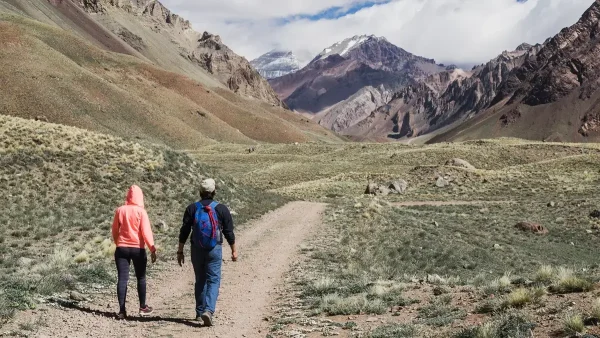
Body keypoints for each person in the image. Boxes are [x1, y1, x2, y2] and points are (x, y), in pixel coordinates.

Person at [177, 178, 238, 326]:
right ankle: (209, 310)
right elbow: (229, 232)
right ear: (214, 191)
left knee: (200, 279)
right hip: (214, 248)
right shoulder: (221, 209)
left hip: (196, 249)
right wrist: (234, 250)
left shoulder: (192, 208)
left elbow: (184, 231)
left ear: (200, 192)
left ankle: (199, 312)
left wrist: (180, 250)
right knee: (214, 280)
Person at [111, 185, 157, 320]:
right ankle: (143, 307)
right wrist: (152, 249)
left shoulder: (120, 210)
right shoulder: (141, 212)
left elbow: (115, 230)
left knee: (122, 279)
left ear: (128, 196)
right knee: (141, 278)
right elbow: (146, 232)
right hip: (138, 249)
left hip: (122, 249)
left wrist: (118, 242)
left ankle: (121, 310)